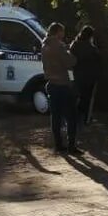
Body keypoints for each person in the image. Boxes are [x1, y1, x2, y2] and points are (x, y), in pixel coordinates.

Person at [42, 22, 82, 155]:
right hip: (63, 85)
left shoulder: (44, 45)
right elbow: (71, 62)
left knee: (56, 116)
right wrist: (70, 53)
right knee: (71, 116)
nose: (63, 35)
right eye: (62, 32)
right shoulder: (59, 46)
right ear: (58, 32)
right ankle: (71, 145)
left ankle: (58, 144)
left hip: (51, 84)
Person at [70, 25, 101, 126]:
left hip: (78, 75)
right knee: (87, 98)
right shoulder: (91, 48)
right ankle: (86, 118)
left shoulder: (74, 45)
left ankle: (77, 116)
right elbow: (97, 61)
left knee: (80, 96)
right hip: (90, 77)